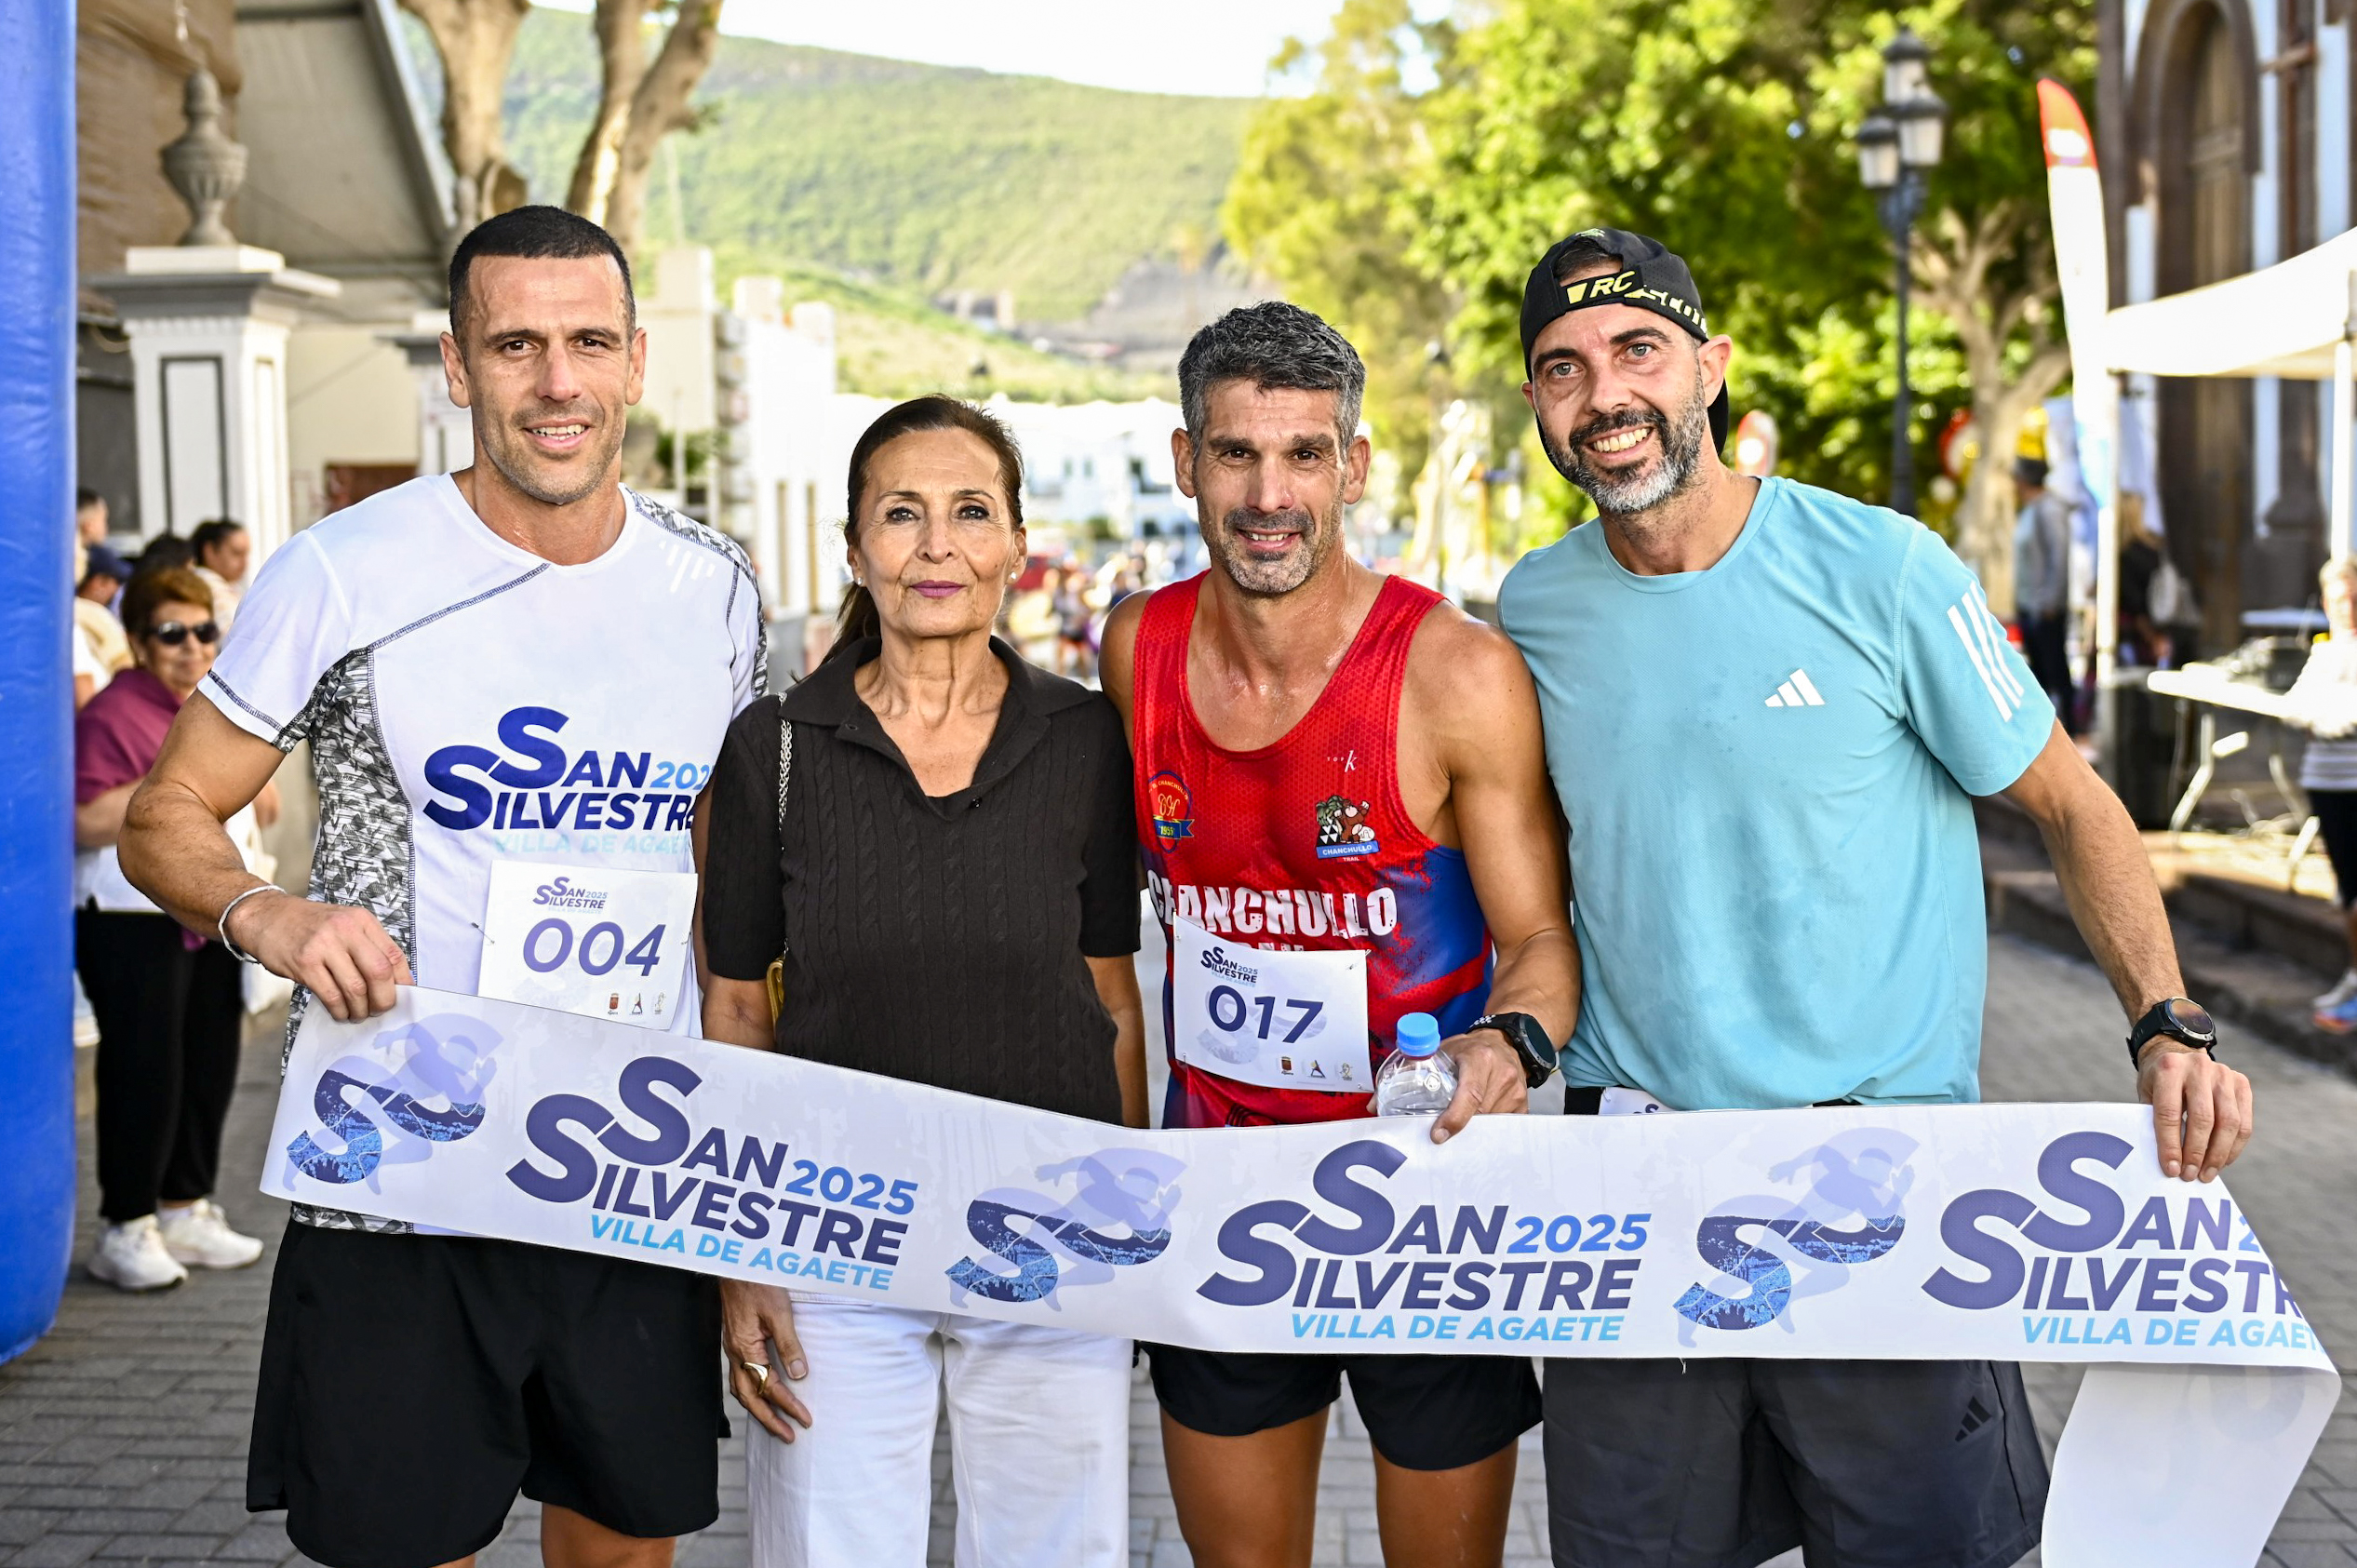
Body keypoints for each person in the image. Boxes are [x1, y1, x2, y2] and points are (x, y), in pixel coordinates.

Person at [1498, 227, 2255, 1568]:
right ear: (1537, 403)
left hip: (1878, 1188)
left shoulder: (1886, 568)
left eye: (1637, 350)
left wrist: (2164, 1021)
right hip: (1637, 1193)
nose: (1604, 392)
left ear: (1710, 368)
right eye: (1564, 367)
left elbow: (2073, 806)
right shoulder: (1533, 607)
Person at [118, 205, 765, 1568]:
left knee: (624, 1545)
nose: (558, 382)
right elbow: (163, 816)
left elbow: (728, 886)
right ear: (459, 367)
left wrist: (745, 1151)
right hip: (399, 1159)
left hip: (625, 1157)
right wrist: (266, 912)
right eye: (515, 345)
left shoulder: (712, 587)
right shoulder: (343, 571)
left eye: (590, 342)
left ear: (637, 360)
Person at [1099, 302, 1580, 1568]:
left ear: (1352, 467)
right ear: (1185, 461)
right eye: (1236, 454)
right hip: (1225, 1195)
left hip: (1422, 1194)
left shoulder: (1455, 672)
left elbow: (1540, 937)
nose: (1269, 496)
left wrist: (1510, 1044)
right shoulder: (1136, 648)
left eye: (1304, 454)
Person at [703, 395, 1148, 1568]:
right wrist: (741, 1253)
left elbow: (1111, 993)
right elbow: (736, 1005)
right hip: (832, 1235)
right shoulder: (773, 747)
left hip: (1052, 1224)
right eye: (901, 514)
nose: (936, 545)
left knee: (1057, 1553)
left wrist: (1134, 1225)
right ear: (855, 548)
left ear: (1015, 544)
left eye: (970, 512)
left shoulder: (1085, 738)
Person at [74, 566, 263, 1291]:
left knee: (208, 1064)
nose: (192, 646)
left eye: (204, 631)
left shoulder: (212, 708)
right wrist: (175, 789)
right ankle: (125, 1226)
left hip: (209, 907)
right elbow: (86, 817)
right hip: (131, 918)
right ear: (137, 640)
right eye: (171, 632)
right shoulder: (114, 714)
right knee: (144, 1072)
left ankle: (184, 1206)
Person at [2285, 557, 2357, 1028]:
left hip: (2353, 780)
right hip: (2324, 780)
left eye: (2351, 597)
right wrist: (2328, 717)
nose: (2344, 608)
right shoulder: (2325, 652)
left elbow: (2345, 718)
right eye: (2335, 599)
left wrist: (2326, 719)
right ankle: (2354, 974)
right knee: (2346, 890)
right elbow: (2294, 708)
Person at [2012, 455, 2075, 729]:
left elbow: (2058, 556)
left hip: (2045, 608)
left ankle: (2068, 729)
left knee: (2055, 670)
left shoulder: (2049, 509)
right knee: (2038, 672)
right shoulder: (2029, 509)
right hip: (2030, 605)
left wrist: (2051, 601)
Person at [189, 517, 251, 631]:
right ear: (210, 551)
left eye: (246, 554)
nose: (244, 562)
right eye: (236, 553)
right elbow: (234, 634)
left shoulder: (224, 586)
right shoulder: (209, 587)